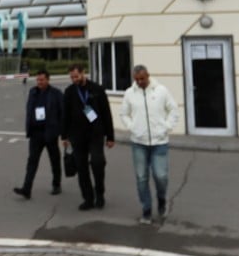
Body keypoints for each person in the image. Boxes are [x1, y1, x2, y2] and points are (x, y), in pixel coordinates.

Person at [119, 64, 179, 225]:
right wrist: (132, 127)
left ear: (148, 76)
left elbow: (173, 110)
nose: (139, 82)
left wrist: (166, 128)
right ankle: (146, 210)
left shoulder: (161, 91)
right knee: (141, 177)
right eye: (136, 79)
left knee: (161, 176)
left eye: (142, 78)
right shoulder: (130, 93)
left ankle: (161, 199)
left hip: (159, 142)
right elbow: (124, 114)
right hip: (139, 142)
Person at [61, 64, 115, 210]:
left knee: (97, 163)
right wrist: (64, 136)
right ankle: (88, 198)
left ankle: (100, 194)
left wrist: (110, 136)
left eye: (76, 76)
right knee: (81, 167)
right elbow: (65, 114)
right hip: (76, 135)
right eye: (71, 77)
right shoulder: (70, 92)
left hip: (95, 134)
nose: (74, 79)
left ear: (83, 73)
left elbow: (106, 113)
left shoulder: (97, 89)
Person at [13, 70, 64, 198]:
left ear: (48, 80)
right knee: (32, 161)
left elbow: (62, 113)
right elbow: (29, 109)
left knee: (55, 160)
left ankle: (56, 184)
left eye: (42, 80)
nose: (39, 82)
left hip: (50, 132)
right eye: (38, 80)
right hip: (36, 133)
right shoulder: (33, 92)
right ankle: (27, 188)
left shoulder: (56, 94)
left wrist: (60, 132)